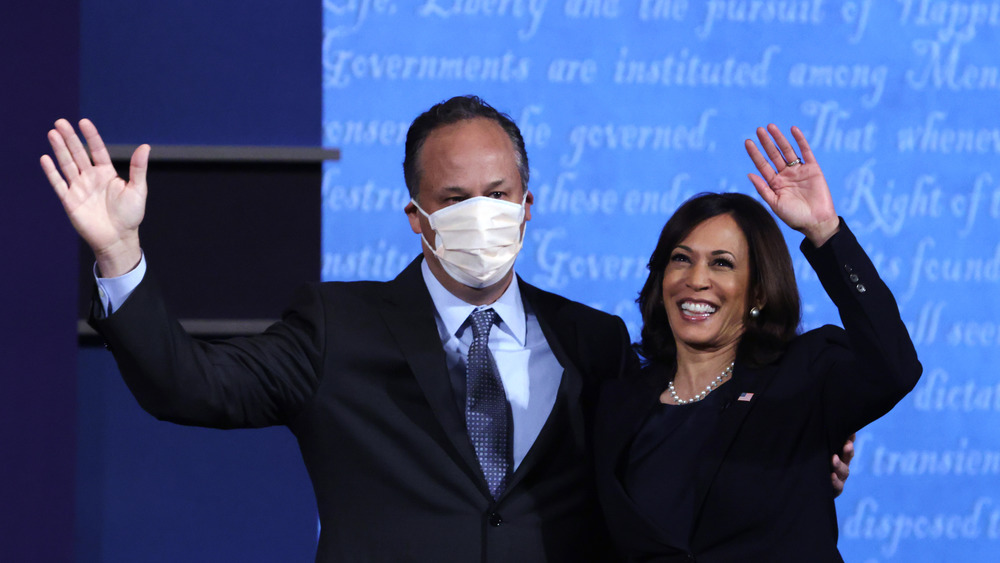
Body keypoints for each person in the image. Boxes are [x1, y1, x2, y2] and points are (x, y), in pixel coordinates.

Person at [40, 97, 852, 562]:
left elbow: (668, 456)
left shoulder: (596, 342)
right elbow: (192, 387)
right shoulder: (337, 325)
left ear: (528, 208)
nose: (481, 215)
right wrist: (119, 255)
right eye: (456, 199)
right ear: (417, 218)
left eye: (499, 195)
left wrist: (788, 454)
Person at [593, 125, 921, 562]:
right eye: (681, 259)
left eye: (722, 264)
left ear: (760, 292)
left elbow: (894, 366)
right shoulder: (617, 401)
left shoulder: (805, 377)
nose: (697, 280)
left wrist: (826, 233)